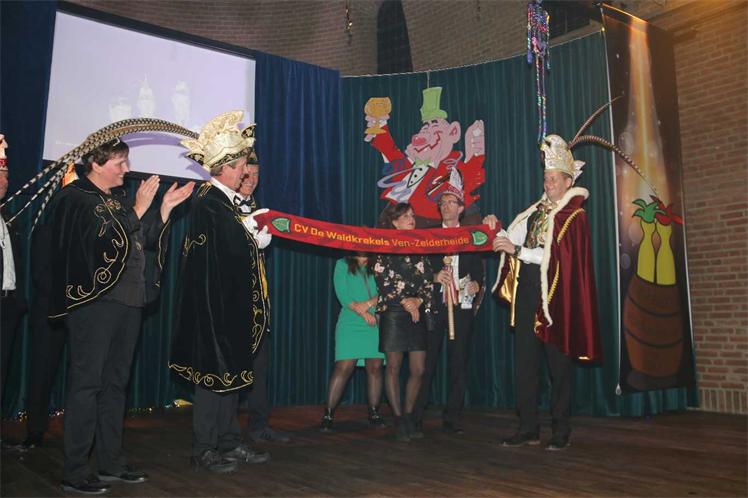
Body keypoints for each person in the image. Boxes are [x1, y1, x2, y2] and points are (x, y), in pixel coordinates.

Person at [49, 137, 194, 494]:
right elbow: (96, 243)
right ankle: (75, 469)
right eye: (119, 164)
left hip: (129, 302)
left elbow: (141, 240)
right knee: (87, 384)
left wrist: (163, 209)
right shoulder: (75, 198)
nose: (126, 171)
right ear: (96, 164)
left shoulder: (116, 200)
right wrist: (139, 208)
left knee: (116, 384)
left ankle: (110, 461)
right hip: (94, 304)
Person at [484, 133, 602, 451]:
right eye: (546, 178)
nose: (548, 184)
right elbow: (512, 238)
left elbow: (557, 257)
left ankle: (561, 429)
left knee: (558, 366)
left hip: (556, 297)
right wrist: (495, 228)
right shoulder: (535, 211)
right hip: (528, 292)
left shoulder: (574, 216)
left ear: (568, 182)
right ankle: (528, 427)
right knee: (525, 363)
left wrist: (517, 250)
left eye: (554, 179)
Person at [169, 111, 272, 474]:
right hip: (214, 309)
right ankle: (204, 448)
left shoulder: (222, 201)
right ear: (225, 167)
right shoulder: (210, 202)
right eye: (240, 164)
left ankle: (228, 440)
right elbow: (220, 254)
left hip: (229, 306)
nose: (245, 170)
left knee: (233, 376)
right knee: (212, 380)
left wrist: (249, 235)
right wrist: (251, 238)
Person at [412, 170, 484, 435]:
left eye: (451, 202)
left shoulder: (470, 236)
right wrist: (434, 277)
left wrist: (476, 284)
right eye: (442, 203)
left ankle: (452, 416)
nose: (445, 206)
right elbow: (417, 270)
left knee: (459, 362)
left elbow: (477, 271)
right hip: (434, 306)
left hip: (461, 306)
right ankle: (416, 414)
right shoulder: (429, 235)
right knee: (426, 363)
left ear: (461, 208)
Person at [234, 153, 291, 443]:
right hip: (232, 300)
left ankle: (258, 426)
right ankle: (226, 433)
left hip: (258, 300)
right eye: (247, 174)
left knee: (260, 367)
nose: (252, 180)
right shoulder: (222, 206)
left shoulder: (258, 208)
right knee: (232, 369)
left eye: (256, 175)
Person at [373, 202, 434, 442]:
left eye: (412, 215)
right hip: (393, 311)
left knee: (418, 368)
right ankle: (398, 418)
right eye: (406, 216)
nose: (411, 219)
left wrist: (417, 300)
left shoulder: (421, 245)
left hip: (416, 310)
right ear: (394, 222)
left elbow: (428, 280)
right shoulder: (383, 246)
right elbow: (383, 281)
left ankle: (408, 415)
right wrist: (405, 302)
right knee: (394, 367)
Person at [319, 253, 386, 432]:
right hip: (351, 320)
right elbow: (342, 294)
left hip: (376, 320)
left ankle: (374, 413)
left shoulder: (380, 263)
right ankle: (328, 415)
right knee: (344, 366)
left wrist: (369, 305)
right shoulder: (342, 264)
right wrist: (363, 312)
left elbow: (388, 289)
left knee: (375, 366)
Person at [0, 133, 27, 422]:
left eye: (6, 176)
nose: (4, 181)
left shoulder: (8, 217)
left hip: (7, 304)